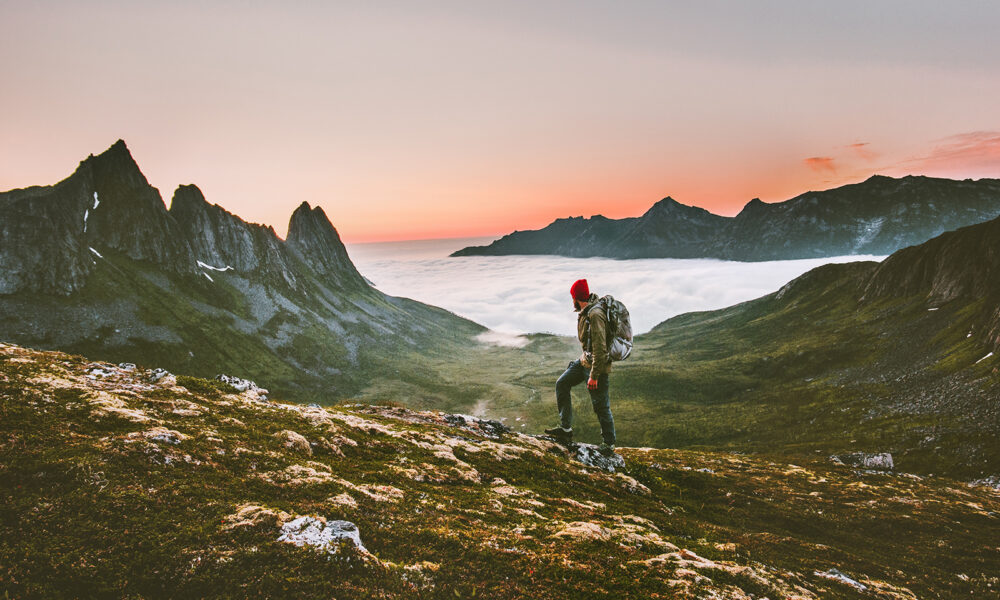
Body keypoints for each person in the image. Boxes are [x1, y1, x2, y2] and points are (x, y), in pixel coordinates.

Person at [544, 278, 616, 455]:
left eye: (572, 297)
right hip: (584, 361)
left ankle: (609, 444)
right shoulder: (586, 311)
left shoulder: (595, 315)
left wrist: (594, 375)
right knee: (562, 383)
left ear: (577, 297)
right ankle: (566, 429)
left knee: (600, 406)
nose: (572, 301)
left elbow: (601, 349)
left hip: (596, 367)